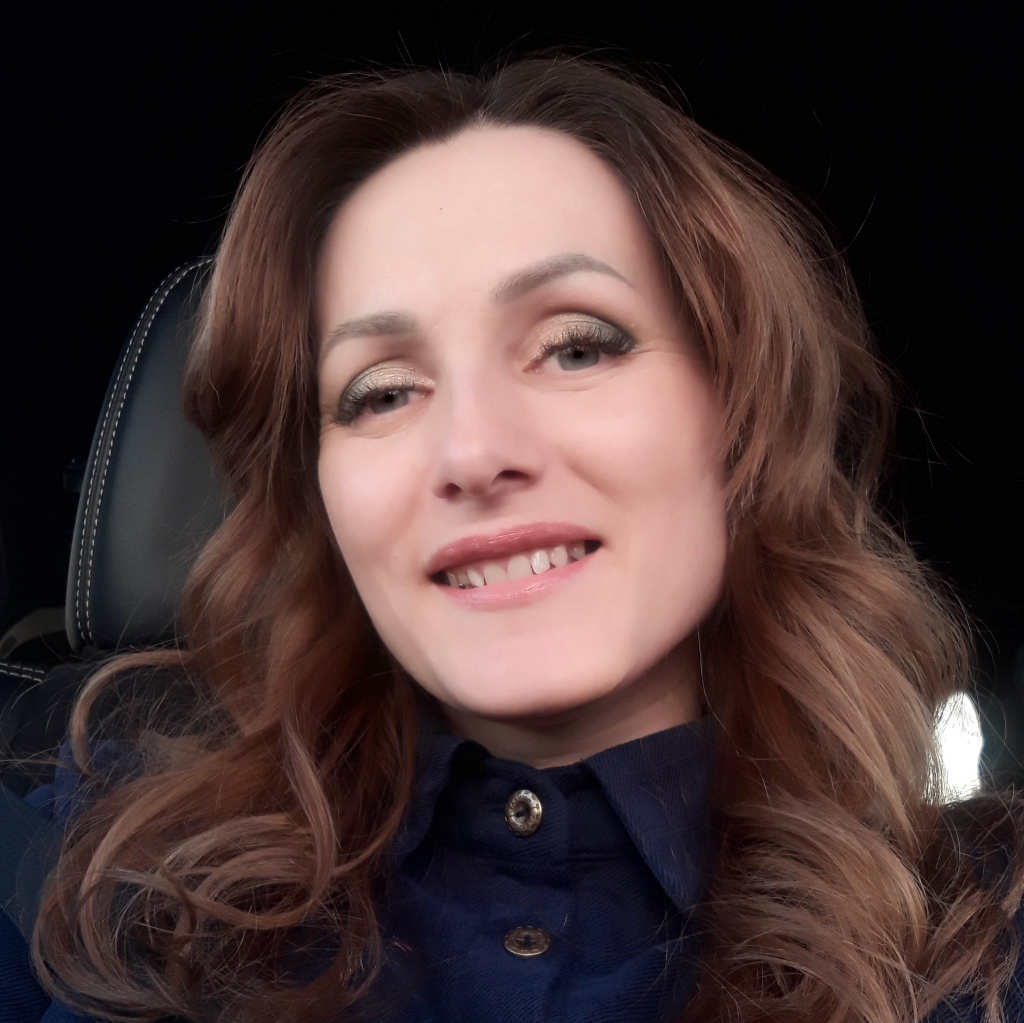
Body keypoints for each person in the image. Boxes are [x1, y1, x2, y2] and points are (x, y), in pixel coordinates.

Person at [3, 53, 1023, 1023]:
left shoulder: (984, 931)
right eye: (380, 392)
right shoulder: (90, 877)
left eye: (576, 347)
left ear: (740, 415)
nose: (473, 451)